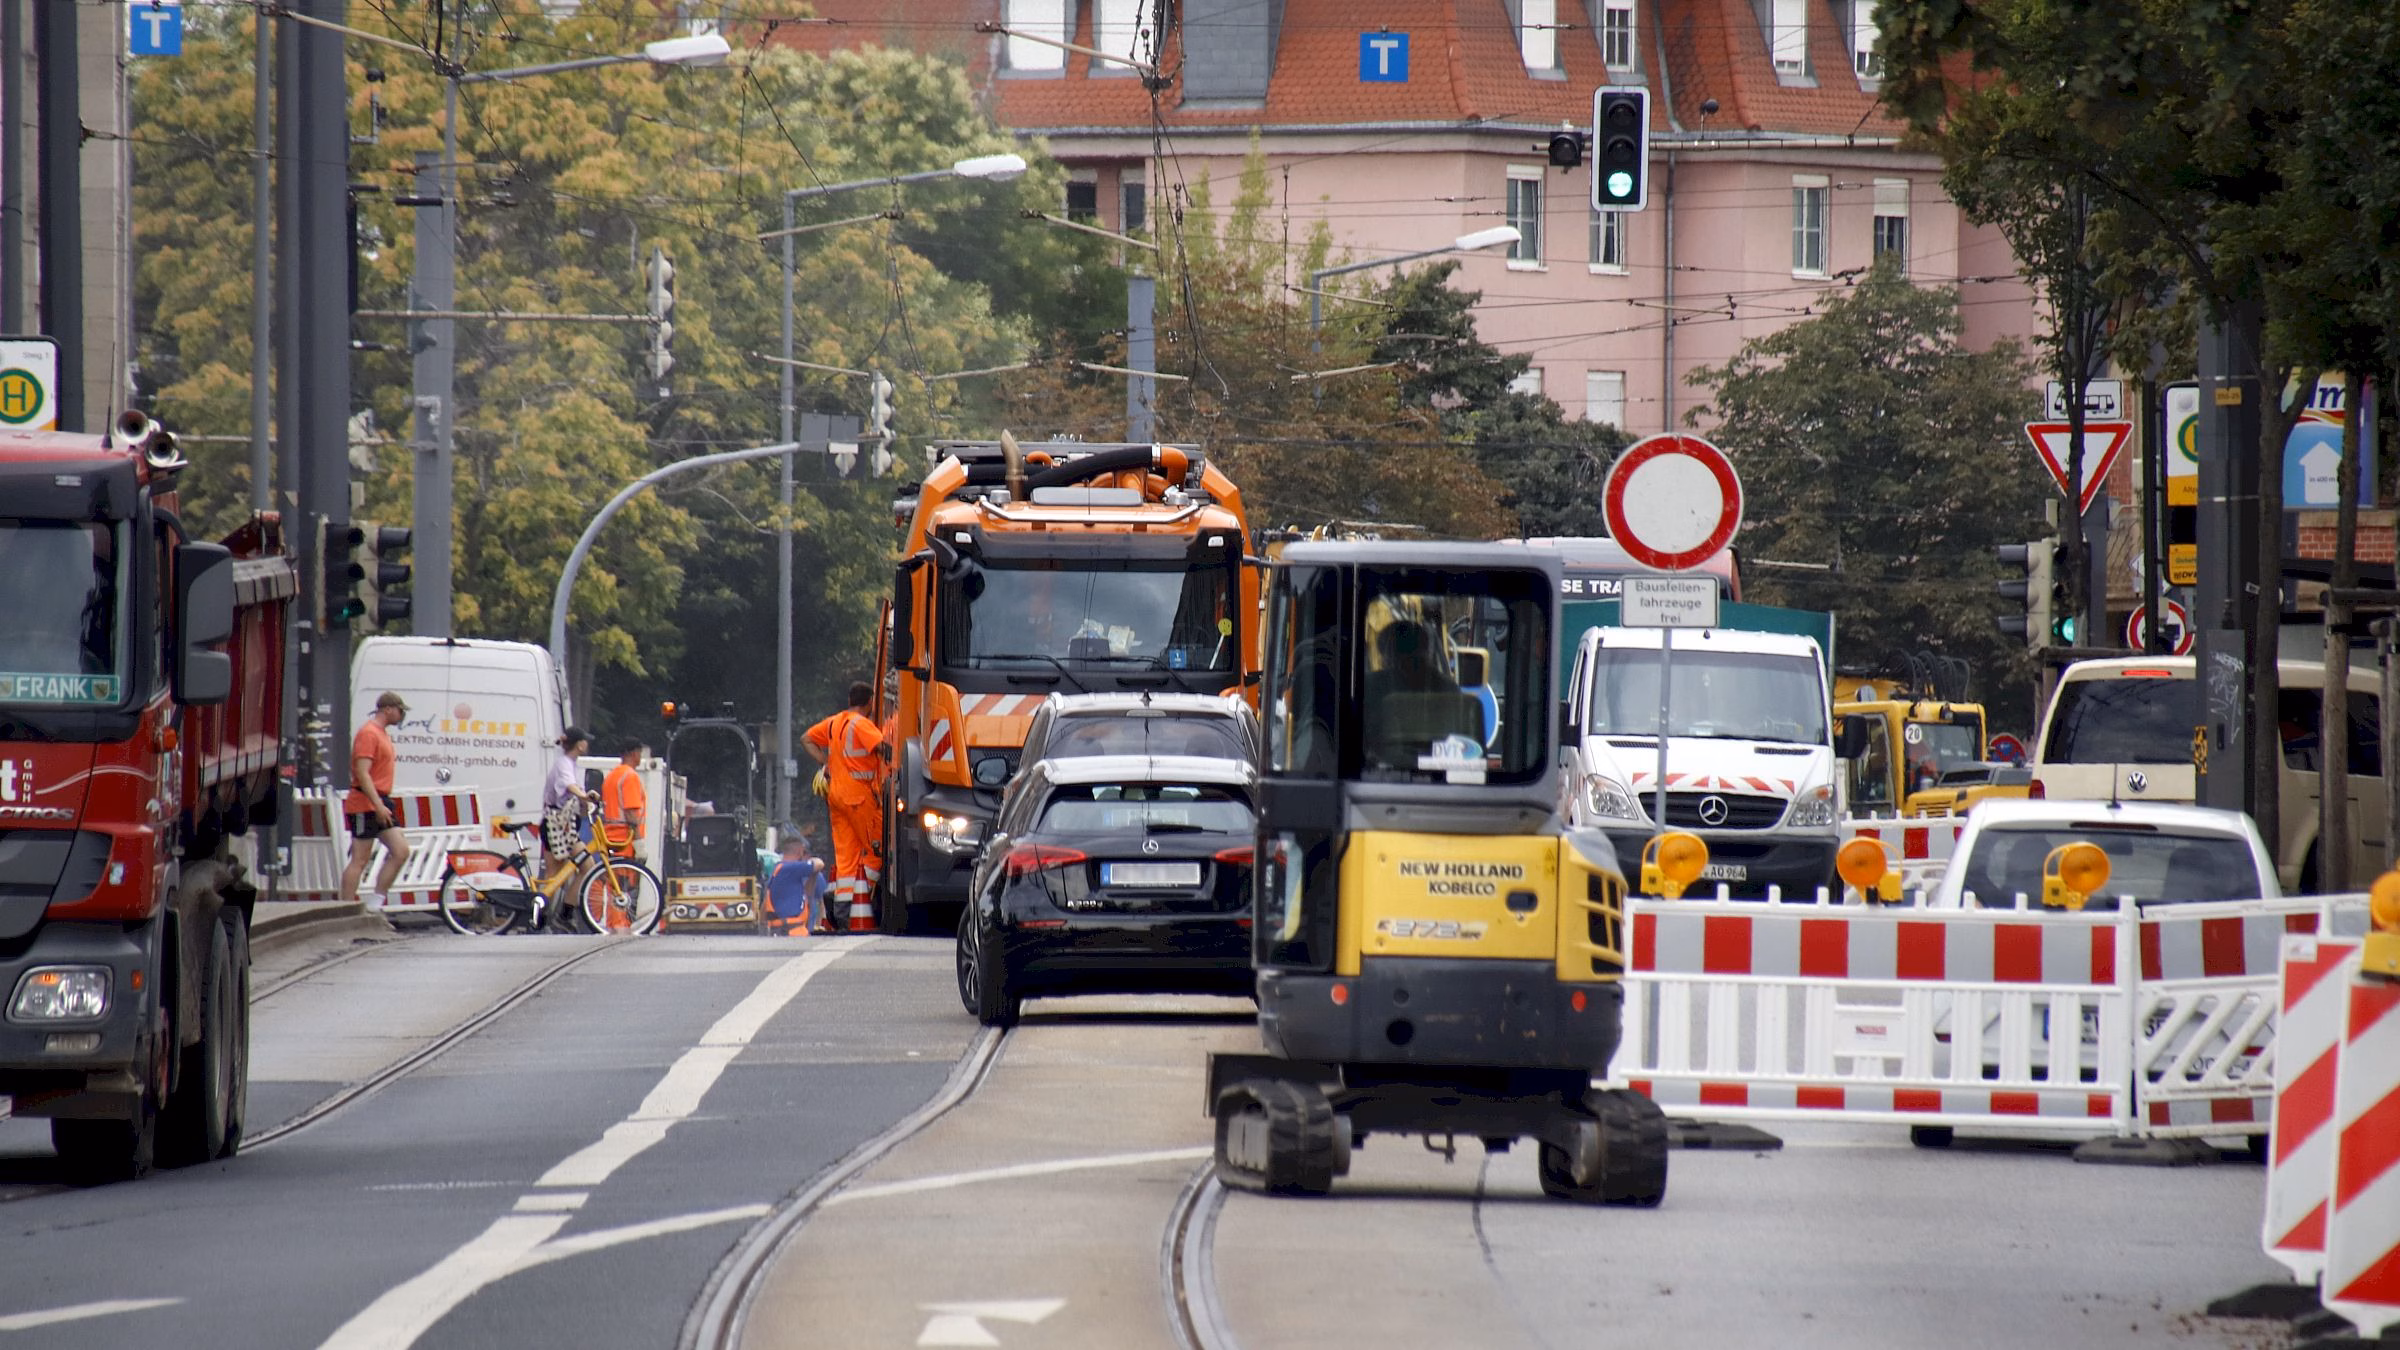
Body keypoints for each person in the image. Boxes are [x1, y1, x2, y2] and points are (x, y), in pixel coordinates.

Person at [805, 681, 886, 930]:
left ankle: (842, 912)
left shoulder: (834, 722)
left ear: (850, 700)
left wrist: (825, 761)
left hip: (836, 797)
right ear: (870, 701)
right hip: (858, 798)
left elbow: (806, 738)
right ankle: (860, 902)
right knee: (876, 851)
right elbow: (883, 748)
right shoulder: (861, 724)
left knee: (847, 855)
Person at [340, 692, 412, 907]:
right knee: (360, 859)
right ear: (388, 709)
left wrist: (381, 803)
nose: (401, 716)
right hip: (365, 803)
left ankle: (376, 901)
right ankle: (345, 907)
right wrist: (378, 805)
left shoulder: (381, 734)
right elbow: (362, 773)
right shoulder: (369, 733)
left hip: (380, 799)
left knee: (400, 851)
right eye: (400, 711)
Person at [543, 727, 600, 887]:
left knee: (583, 868)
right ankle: (541, 902)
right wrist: (584, 796)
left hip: (565, 825)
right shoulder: (563, 764)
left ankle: (565, 904)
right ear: (580, 745)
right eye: (585, 741)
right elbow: (569, 785)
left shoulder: (573, 765)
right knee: (554, 874)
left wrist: (587, 803)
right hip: (555, 825)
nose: (587, 744)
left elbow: (578, 790)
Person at [765, 834, 827, 936]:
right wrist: (812, 862)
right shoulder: (790, 868)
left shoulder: (778, 870)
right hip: (793, 931)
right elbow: (819, 864)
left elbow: (808, 894)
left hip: (784, 930)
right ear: (800, 852)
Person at [600, 741, 648, 859]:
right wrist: (639, 844)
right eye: (640, 753)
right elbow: (630, 813)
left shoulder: (611, 776)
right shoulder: (630, 776)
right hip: (625, 840)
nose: (640, 756)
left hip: (610, 838)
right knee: (624, 871)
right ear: (633, 753)